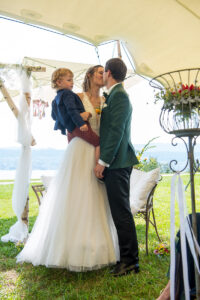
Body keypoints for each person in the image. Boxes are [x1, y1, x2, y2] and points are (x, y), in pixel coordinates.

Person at [16, 65, 119, 271]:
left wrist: (103, 152)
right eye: (99, 72)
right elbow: (69, 127)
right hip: (81, 150)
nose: (103, 75)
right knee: (77, 197)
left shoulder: (108, 100)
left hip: (100, 154)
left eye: (104, 73)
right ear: (89, 76)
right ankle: (68, 249)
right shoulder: (75, 97)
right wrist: (96, 142)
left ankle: (96, 246)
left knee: (96, 199)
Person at [94, 58, 139, 277]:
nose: (101, 75)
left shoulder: (120, 97)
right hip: (117, 162)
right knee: (119, 213)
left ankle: (130, 262)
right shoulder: (114, 96)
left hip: (118, 163)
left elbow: (116, 132)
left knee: (121, 214)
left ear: (109, 73)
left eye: (103, 72)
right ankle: (126, 257)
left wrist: (103, 162)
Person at [51, 68, 100, 162]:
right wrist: (81, 123)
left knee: (72, 151)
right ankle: (98, 165)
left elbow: (54, 116)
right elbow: (72, 110)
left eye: (72, 80)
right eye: (69, 80)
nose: (72, 83)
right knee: (97, 142)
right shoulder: (68, 94)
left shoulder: (55, 99)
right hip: (78, 126)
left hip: (69, 130)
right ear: (59, 82)